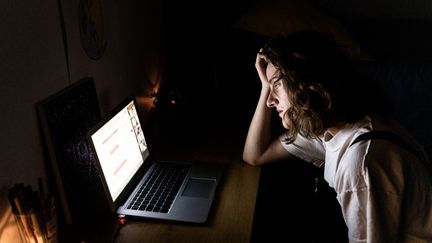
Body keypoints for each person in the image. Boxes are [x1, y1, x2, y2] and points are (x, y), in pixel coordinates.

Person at [242, 31, 432, 242]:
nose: (270, 101)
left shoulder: (360, 162)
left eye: (277, 85)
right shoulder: (333, 127)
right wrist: (265, 86)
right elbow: (255, 155)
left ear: (305, 82)